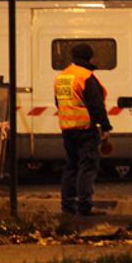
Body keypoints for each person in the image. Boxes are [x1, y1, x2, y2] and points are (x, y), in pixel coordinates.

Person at [54, 43, 112, 216]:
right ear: (89, 57)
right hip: (85, 129)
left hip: (67, 129)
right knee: (87, 167)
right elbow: (96, 106)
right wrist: (105, 127)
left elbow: (58, 102)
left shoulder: (62, 77)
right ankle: (85, 205)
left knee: (71, 166)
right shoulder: (85, 77)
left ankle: (68, 205)